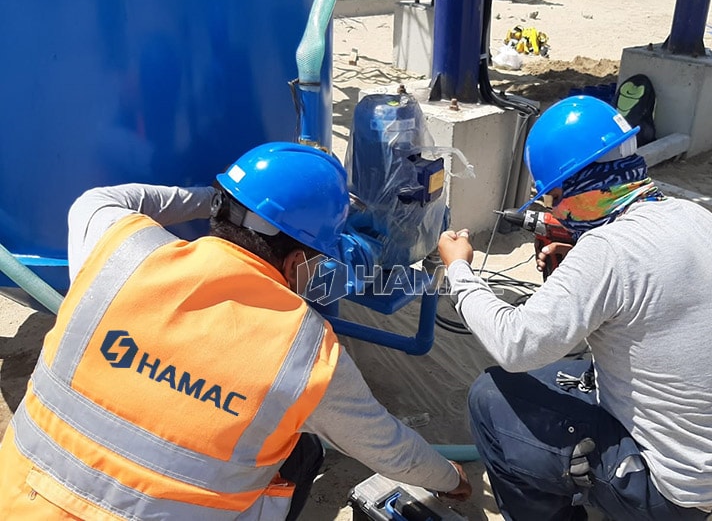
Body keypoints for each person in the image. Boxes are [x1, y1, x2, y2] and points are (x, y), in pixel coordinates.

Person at [0, 142, 470, 520]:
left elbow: (100, 199)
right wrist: (449, 479)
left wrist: (224, 202)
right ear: (296, 261)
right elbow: (388, 447)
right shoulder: (304, 353)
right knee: (301, 450)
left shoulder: (118, 253)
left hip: (19, 499)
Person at [437, 96, 712, 521]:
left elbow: (515, 346)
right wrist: (576, 270)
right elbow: (642, 308)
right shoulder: (695, 217)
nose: (553, 210)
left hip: (663, 491)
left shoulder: (607, 251)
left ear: (575, 188)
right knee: (561, 377)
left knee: (491, 397)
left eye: (553, 198)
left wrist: (459, 270)